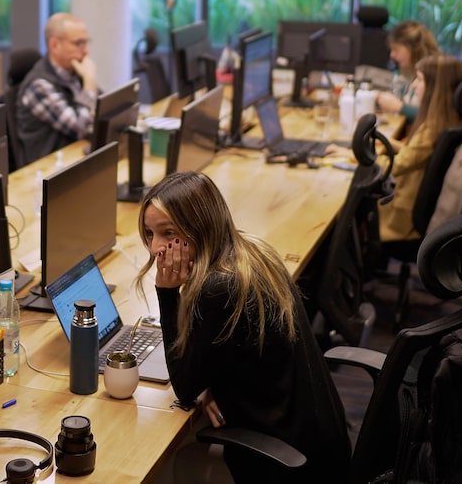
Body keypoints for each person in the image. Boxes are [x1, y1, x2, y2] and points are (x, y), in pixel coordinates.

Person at [134, 171, 351, 483]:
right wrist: (213, 383)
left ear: (200, 226)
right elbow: (232, 353)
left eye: (168, 233)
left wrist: (167, 294)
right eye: (149, 233)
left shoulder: (218, 288)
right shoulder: (251, 252)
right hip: (318, 440)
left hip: (287, 462)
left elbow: (185, 387)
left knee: (171, 465)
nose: (156, 247)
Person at [378, 54, 462, 241]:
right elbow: (415, 153)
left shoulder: (432, 130)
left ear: (437, 87)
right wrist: (388, 142)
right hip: (412, 205)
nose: (413, 85)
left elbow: (394, 166)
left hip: (402, 220)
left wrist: (356, 156)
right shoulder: (448, 120)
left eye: (420, 79)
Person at [16, 12, 99, 163]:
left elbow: (102, 113)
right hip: (48, 168)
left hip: (74, 157)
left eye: (86, 42)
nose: (86, 51)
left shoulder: (74, 72)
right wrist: (89, 84)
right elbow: (80, 128)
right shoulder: (39, 85)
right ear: (54, 45)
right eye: (78, 43)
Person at [375, 20, 441, 125]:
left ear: (414, 49)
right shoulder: (406, 71)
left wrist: (399, 107)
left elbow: (435, 117)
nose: (392, 55)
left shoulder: (436, 74)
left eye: (396, 49)